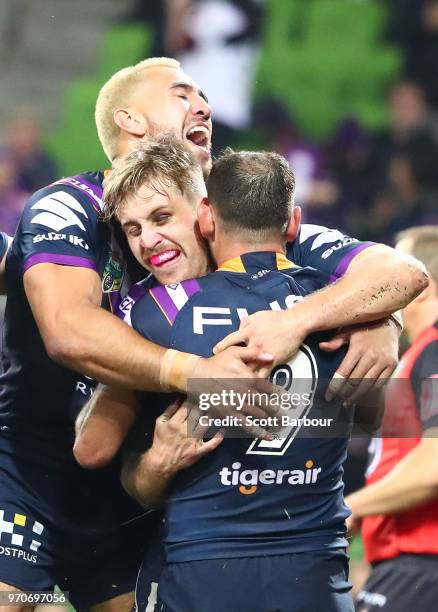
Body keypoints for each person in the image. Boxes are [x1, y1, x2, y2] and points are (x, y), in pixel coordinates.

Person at [0, 55, 426, 608]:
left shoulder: (232, 218)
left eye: (160, 219)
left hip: (141, 491)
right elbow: (68, 331)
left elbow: (398, 274)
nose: (203, 105)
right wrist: (200, 373)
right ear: (129, 120)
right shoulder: (68, 207)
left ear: (204, 217)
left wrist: (373, 318)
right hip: (36, 473)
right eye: (182, 94)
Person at [97, 141, 387, 612]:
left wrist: (151, 465)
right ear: (293, 222)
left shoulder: (160, 315)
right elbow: (371, 417)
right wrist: (383, 323)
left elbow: (101, 453)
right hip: (315, 570)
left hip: (205, 568)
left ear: (206, 218)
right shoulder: (342, 307)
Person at [346, 225, 438, 612]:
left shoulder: (434, 352)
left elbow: (433, 466)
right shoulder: (423, 352)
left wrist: (350, 507)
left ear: (424, 284)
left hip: (420, 566)